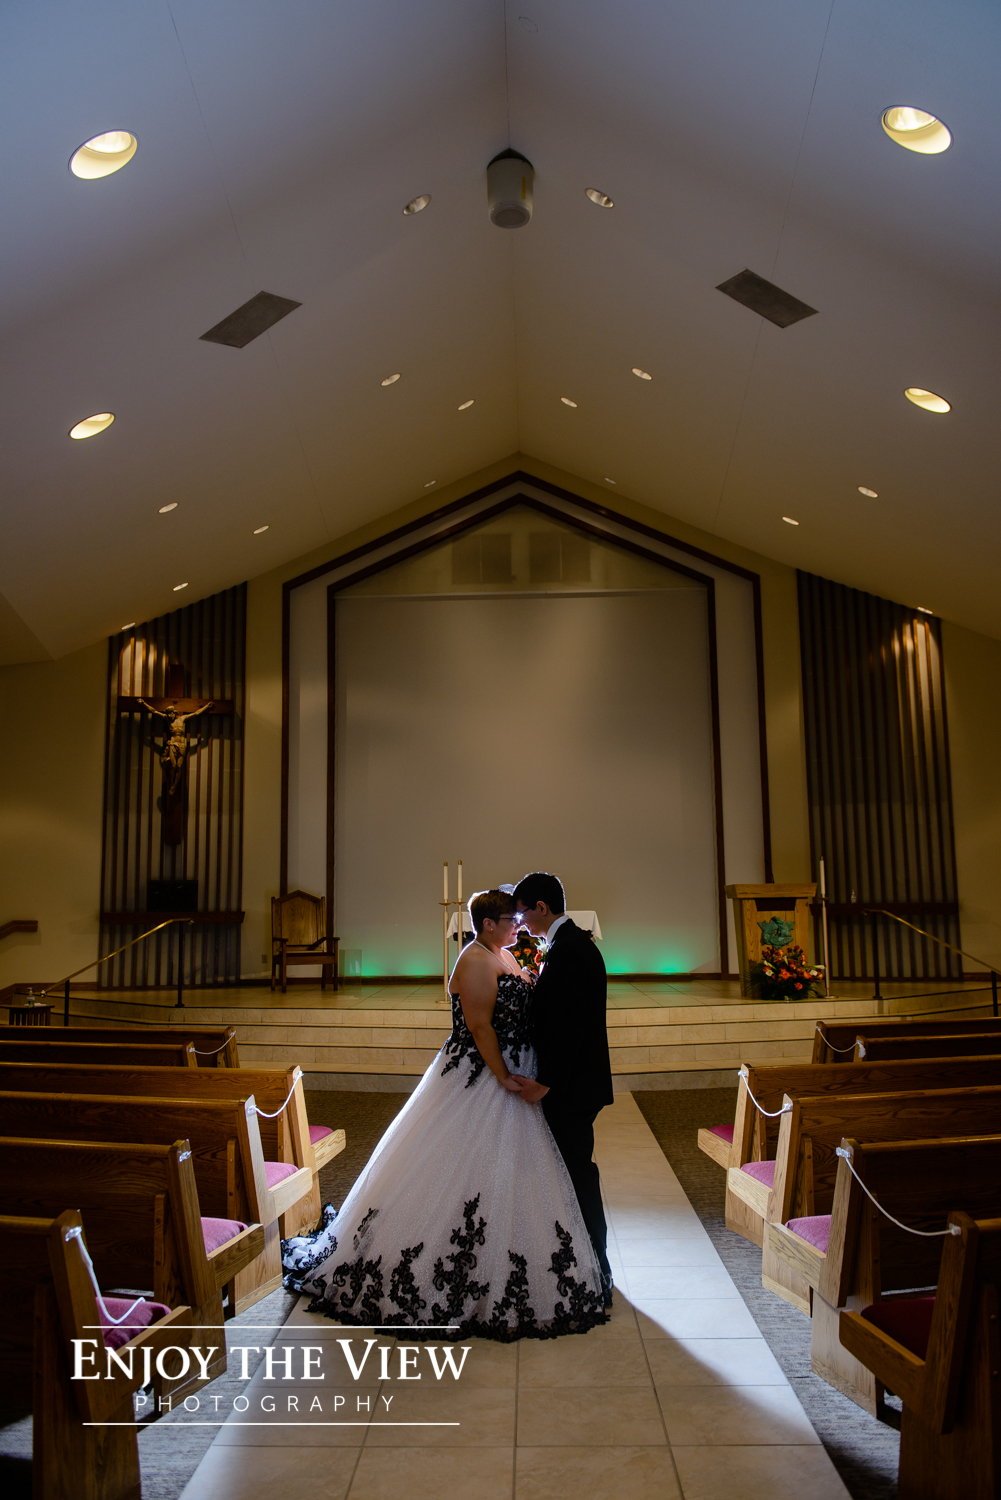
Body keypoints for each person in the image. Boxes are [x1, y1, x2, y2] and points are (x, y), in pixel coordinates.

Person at [281, 887, 606, 1340]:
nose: (517, 926)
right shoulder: (473, 961)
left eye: (519, 918)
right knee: (459, 1165)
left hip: (516, 1067)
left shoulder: (501, 954)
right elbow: (479, 1026)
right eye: (510, 920)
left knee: (514, 1171)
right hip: (481, 1075)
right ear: (488, 924)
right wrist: (502, 1076)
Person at [510, 872, 614, 1305]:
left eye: (523, 913)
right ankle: (584, 1260)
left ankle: (597, 1267)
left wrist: (545, 1083)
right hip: (577, 1082)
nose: (521, 923)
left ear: (542, 907)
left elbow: (570, 1027)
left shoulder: (570, 949)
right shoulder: (569, 943)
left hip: (572, 1087)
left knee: (577, 1174)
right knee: (571, 1172)